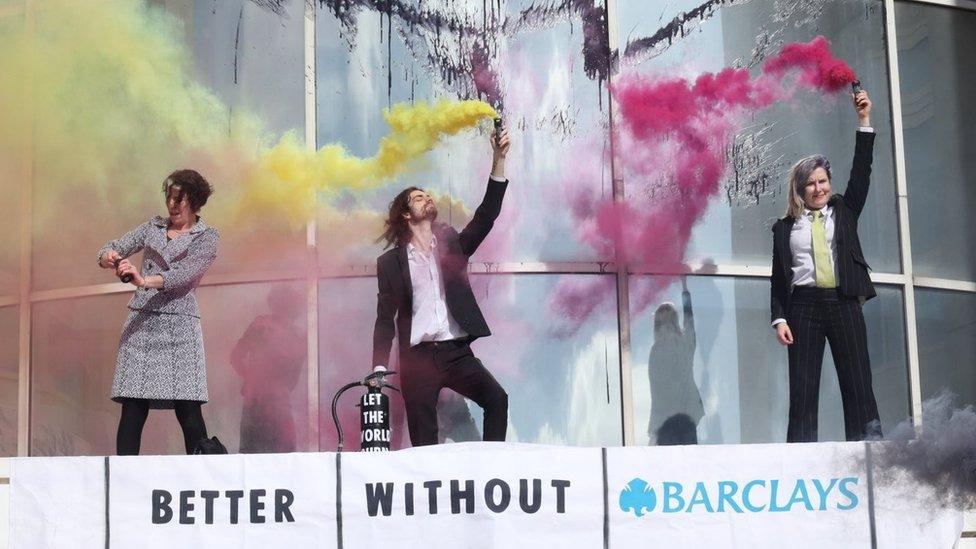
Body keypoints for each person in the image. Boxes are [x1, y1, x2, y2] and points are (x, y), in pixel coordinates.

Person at [371, 127, 511, 447]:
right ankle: (428, 495)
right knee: (424, 440)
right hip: (417, 359)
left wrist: (499, 159)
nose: (427, 198)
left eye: (428, 195)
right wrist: (379, 365)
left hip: (456, 353)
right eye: (419, 198)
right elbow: (384, 318)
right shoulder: (390, 264)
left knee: (496, 399)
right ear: (407, 214)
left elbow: (486, 215)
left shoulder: (450, 246)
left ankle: (491, 468)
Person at [770, 89, 882, 442]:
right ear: (800, 190)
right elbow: (778, 279)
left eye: (822, 181)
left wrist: (863, 120)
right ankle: (800, 459)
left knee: (858, 384)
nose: (818, 188)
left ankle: (870, 455)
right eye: (811, 183)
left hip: (844, 302)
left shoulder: (845, 212)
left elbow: (862, 170)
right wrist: (780, 318)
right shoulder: (785, 227)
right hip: (803, 308)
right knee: (803, 392)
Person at [97, 169, 220, 455]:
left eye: (181, 199)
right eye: (170, 197)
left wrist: (143, 280)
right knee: (132, 403)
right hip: (141, 323)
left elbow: (182, 275)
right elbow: (111, 247)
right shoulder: (152, 227)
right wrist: (111, 258)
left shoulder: (207, 237)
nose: (173, 204)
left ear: (196, 201)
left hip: (181, 327)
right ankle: (122, 479)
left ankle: (202, 479)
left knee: (188, 406)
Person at [231, 285, 305, 453]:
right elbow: (294, 376)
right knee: (283, 453)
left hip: (258, 397)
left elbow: (236, 356)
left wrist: (251, 379)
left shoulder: (261, 325)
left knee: (251, 454)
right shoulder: (296, 335)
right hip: (274, 398)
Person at [648, 276, 703, 445]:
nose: (665, 325)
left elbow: (689, 323)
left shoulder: (676, 346)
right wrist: (685, 289)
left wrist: (685, 290)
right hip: (671, 418)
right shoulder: (663, 349)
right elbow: (689, 323)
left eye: (667, 319)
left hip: (680, 416)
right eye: (662, 320)